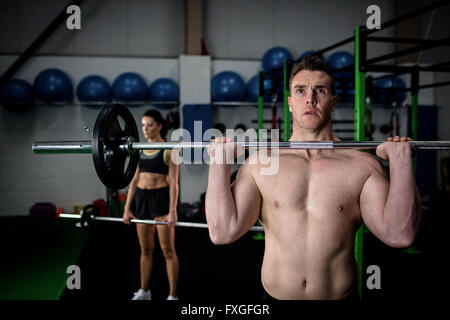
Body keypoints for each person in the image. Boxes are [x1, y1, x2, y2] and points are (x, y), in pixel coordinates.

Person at [205, 56, 422, 300]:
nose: (310, 99)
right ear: (290, 103)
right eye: (300, 91)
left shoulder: (362, 166)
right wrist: (218, 161)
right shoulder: (260, 163)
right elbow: (222, 232)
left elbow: (400, 234)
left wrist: (401, 162)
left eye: (320, 90)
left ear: (333, 102)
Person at [123, 109, 180, 300]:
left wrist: (172, 211)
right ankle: (145, 291)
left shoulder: (169, 149)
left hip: (161, 199)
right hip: (142, 200)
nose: (145, 129)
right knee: (145, 249)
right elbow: (134, 180)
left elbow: (173, 182)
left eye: (149, 125)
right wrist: (127, 208)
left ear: (159, 126)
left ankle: (172, 295)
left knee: (167, 251)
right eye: (143, 126)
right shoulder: (138, 147)